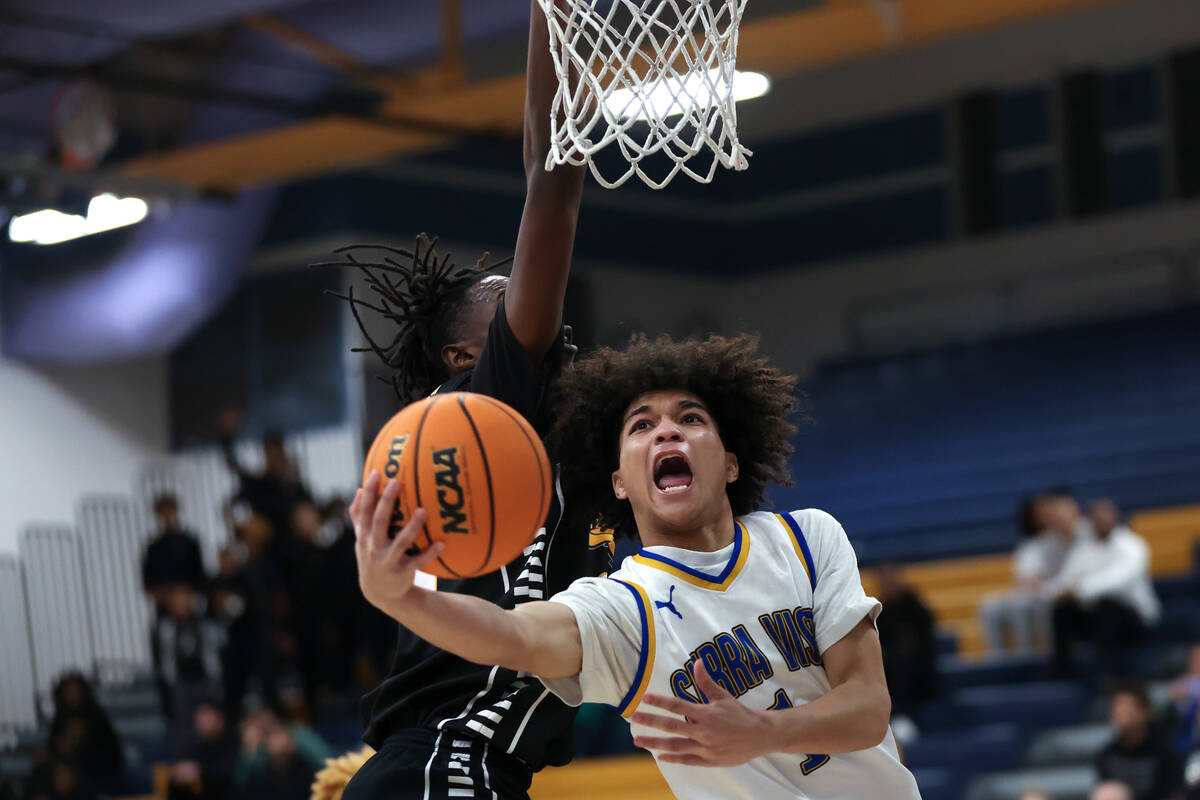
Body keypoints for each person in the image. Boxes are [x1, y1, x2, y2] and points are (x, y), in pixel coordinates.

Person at [352, 334, 922, 798]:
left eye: (691, 418)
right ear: (619, 482)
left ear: (729, 463)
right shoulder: (622, 606)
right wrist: (403, 597)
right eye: (641, 426)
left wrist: (764, 733)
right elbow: (513, 634)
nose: (667, 431)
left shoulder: (807, 537)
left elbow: (868, 707)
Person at [332, 4, 601, 798]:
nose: (534, 303)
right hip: (453, 757)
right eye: (503, 295)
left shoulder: (555, 445)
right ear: (463, 354)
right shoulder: (489, 406)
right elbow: (554, 184)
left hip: (458, 763)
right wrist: (556, 17)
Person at [1050, 499, 1160, 679]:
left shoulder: (1131, 545)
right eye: (1097, 517)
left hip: (1136, 619)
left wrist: (1080, 590)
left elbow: (1118, 581)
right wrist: (1052, 590)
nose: (1102, 521)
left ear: (1115, 517)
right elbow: (1066, 579)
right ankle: (1063, 674)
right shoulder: (1084, 548)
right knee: (1062, 610)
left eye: (1106, 516)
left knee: (1107, 606)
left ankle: (1108, 676)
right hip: (1097, 617)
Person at [978, 493, 1071, 657]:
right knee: (988, 605)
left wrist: (1043, 586)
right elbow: (1024, 578)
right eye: (1039, 513)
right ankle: (997, 657)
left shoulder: (1063, 538)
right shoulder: (1029, 545)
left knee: (1021, 605)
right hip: (1029, 593)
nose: (1043, 516)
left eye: (1046, 511)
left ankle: (1026, 656)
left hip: (1051, 595)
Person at [1095, 681, 1182, 800]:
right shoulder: (1107, 756)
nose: (1124, 712)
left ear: (1146, 712)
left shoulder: (1166, 753)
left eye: (1129, 707)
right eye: (1118, 706)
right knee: (1108, 792)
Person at [874, 563, 938, 717]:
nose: (888, 583)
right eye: (884, 580)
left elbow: (925, 637)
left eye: (890, 578)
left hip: (919, 667)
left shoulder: (914, 605)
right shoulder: (880, 610)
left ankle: (904, 714)